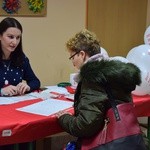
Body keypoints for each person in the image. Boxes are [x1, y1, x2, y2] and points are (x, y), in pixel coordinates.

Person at [56, 29, 148, 149]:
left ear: (82, 54)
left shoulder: (92, 78)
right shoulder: (114, 72)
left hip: (109, 143)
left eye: (72, 57)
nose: (72, 62)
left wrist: (64, 118)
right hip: (129, 138)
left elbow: (86, 125)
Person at [0, 17, 40, 149]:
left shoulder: (21, 58)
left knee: (28, 133)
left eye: (18, 38)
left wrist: (27, 86)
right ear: (0, 36)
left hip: (17, 112)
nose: (14, 42)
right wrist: (1, 91)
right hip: (2, 117)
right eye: (10, 37)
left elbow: (35, 81)